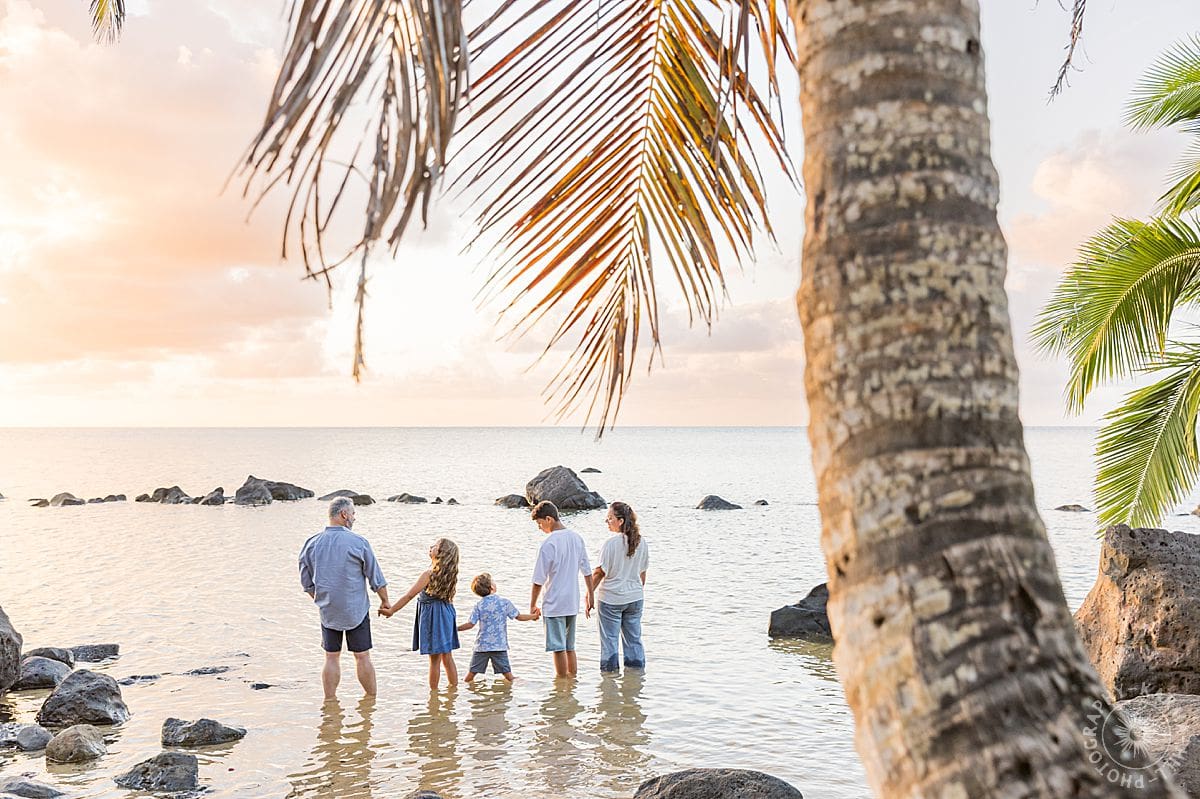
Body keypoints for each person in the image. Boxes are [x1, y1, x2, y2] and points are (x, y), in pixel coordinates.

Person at [298, 497, 390, 701]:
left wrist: (322, 599)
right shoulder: (359, 542)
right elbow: (376, 578)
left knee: (331, 656)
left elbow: (306, 583)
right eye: (353, 513)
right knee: (362, 656)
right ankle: (371, 701)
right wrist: (385, 601)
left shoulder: (312, 543)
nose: (354, 518)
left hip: (328, 610)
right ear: (344, 515)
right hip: (355, 609)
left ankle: (329, 701)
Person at [381, 538, 461, 690]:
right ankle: (453, 690)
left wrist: (392, 610)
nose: (431, 547)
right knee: (447, 656)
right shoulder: (450, 574)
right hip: (447, 614)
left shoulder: (429, 574)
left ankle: (434, 695)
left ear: (441, 553)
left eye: (435, 546)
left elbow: (409, 595)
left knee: (434, 660)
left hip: (433, 616)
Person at [530, 500, 595, 678]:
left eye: (540, 523)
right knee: (569, 646)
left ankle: (562, 687)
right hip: (572, 602)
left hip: (554, 603)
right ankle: (572, 682)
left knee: (558, 648)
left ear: (549, 519)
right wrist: (591, 595)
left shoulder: (549, 544)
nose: (539, 528)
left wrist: (532, 605)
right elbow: (587, 572)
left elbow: (538, 580)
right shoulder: (576, 538)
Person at [592, 501, 649, 673]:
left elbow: (599, 573)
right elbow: (642, 574)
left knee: (609, 641)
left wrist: (588, 595)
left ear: (621, 521)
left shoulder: (611, 544)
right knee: (634, 641)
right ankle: (635, 682)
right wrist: (634, 593)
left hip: (611, 599)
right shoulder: (642, 542)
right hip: (635, 598)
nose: (607, 522)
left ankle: (609, 684)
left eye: (609, 518)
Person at [457, 573, 540, 682]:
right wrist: (534, 616)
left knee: (470, 675)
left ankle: (459, 691)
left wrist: (456, 628)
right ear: (492, 587)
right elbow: (519, 617)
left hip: (482, 646)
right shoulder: (504, 603)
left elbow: (470, 624)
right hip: (499, 645)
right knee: (510, 677)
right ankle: (522, 688)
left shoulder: (479, 605)